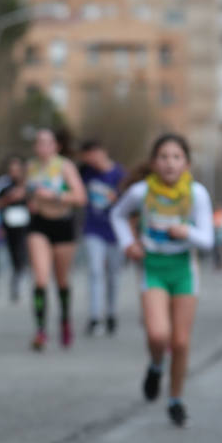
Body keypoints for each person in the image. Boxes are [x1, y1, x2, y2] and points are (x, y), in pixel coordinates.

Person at [109, 134, 215, 426]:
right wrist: (128, 244)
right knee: (158, 335)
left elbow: (207, 240)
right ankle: (156, 366)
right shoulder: (141, 192)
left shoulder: (197, 194)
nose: (170, 163)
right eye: (164, 157)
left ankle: (175, 399)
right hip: (152, 268)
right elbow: (117, 215)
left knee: (180, 342)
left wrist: (187, 233)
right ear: (154, 163)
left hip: (183, 271)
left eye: (176, 157)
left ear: (187, 163)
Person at [24, 128, 86, 350]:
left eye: (47, 142)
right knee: (40, 279)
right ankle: (40, 331)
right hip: (39, 224)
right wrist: (30, 200)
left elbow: (80, 197)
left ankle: (65, 321)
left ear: (56, 146)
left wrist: (55, 195)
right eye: (39, 142)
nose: (42, 147)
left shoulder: (65, 166)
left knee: (61, 281)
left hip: (62, 225)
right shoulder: (30, 167)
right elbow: (28, 191)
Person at [77, 139, 125, 336]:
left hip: (115, 231)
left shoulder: (119, 174)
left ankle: (111, 313)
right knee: (95, 271)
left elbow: (130, 202)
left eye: (94, 153)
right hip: (93, 229)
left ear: (103, 152)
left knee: (113, 275)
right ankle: (95, 317)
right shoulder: (85, 173)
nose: (91, 159)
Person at [0, 156, 31, 303]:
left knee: (24, 251)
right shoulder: (1, 184)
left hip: (28, 224)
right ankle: (16, 278)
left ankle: (22, 278)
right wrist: (8, 200)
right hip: (9, 224)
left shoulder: (30, 183)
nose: (15, 173)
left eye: (17, 169)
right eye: (12, 170)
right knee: (14, 253)